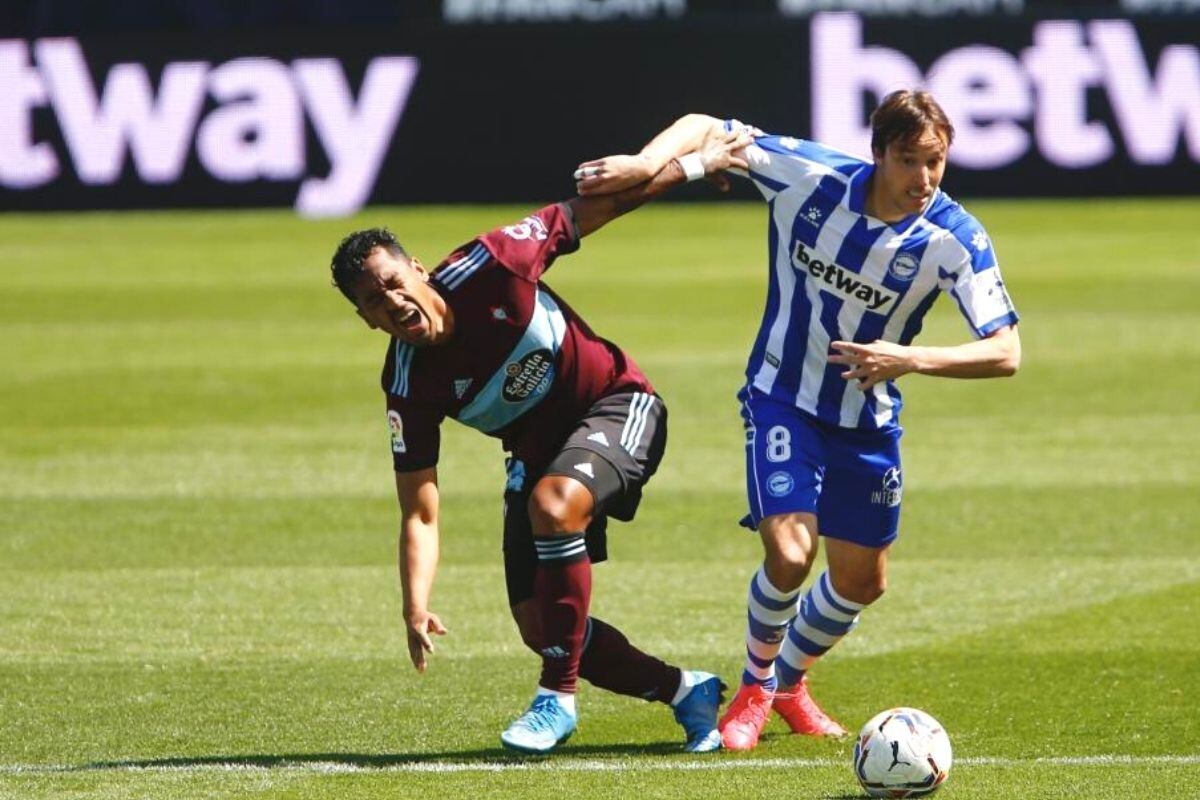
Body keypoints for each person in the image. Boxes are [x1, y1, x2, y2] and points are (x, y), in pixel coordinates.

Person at [575, 90, 1021, 750]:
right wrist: (644, 165)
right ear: (878, 154)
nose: (924, 178)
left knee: (862, 582)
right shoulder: (811, 177)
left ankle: (787, 683)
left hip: (867, 419)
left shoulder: (955, 239)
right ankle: (754, 688)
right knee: (790, 553)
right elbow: (707, 125)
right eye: (909, 160)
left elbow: (1006, 351)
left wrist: (910, 359)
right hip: (781, 396)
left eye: (936, 162)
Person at [328, 127, 753, 755]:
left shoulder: (492, 262)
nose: (392, 302)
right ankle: (685, 691)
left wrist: (695, 165)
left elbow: (597, 208)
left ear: (417, 270)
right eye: (373, 301)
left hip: (618, 404)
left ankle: (557, 698)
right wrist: (414, 605)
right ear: (366, 320)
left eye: (393, 282)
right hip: (538, 453)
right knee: (540, 623)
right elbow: (420, 510)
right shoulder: (407, 385)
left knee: (552, 507)